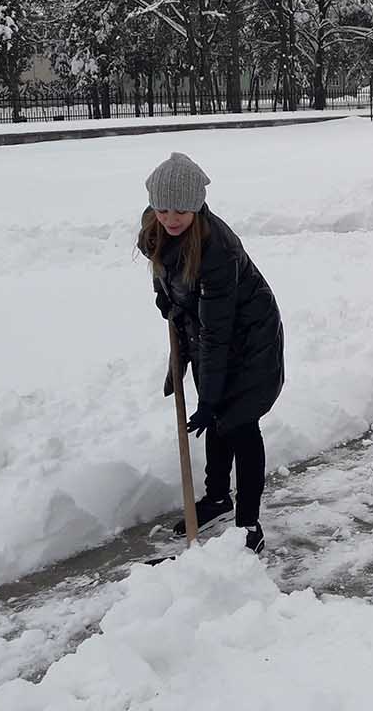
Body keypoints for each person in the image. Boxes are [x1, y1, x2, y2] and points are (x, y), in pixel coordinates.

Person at [137, 153, 284, 555]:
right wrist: (166, 305)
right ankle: (217, 497)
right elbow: (165, 280)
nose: (171, 217)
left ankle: (248, 524)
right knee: (217, 419)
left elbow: (219, 332)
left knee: (237, 424)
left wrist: (210, 397)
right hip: (209, 333)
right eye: (163, 208)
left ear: (198, 205)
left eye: (182, 209)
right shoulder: (155, 230)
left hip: (250, 339)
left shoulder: (217, 249)